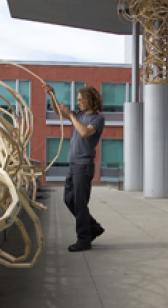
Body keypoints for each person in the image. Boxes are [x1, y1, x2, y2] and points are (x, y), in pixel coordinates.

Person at [54, 85, 106, 252]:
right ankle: (94, 227)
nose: (78, 103)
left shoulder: (97, 119)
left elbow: (84, 132)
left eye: (80, 100)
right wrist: (51, 95)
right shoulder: (80, 115)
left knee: (80, 203)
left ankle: (84, 239)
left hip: (83, 166)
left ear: (89, 99)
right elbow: (59, 112)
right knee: (69, 199)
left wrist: (71, 115)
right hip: (74, 164)